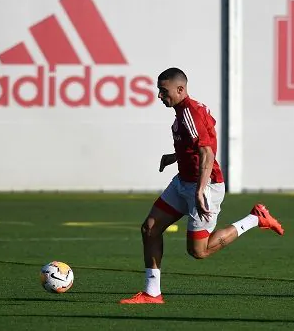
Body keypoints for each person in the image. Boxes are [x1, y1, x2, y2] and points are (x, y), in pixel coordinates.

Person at [119, 67, 284, 304]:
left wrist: (199, 190)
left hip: (206, 186)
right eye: (158, 90)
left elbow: (207, 152)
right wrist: (174, 156)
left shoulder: (190, 113)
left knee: (199, 251)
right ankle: (152, 293)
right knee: (150, 228)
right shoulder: (187, 111)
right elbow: (199, 141)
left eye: (163, 91)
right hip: (183, 182)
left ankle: (255, 219)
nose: (159, 96)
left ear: (180, 89)